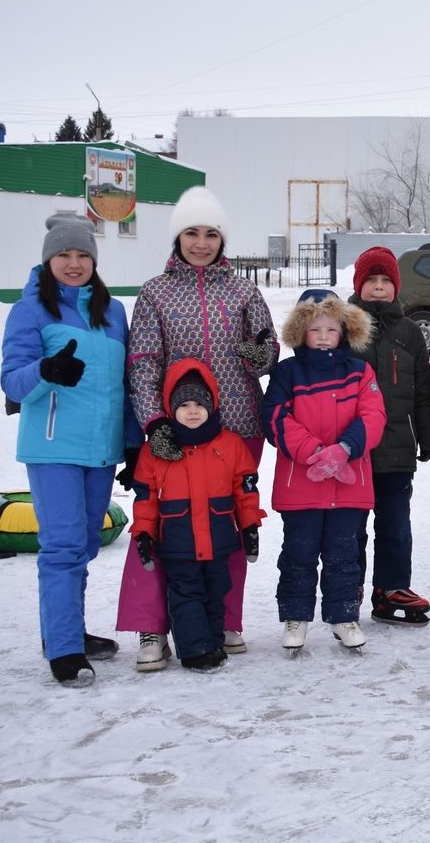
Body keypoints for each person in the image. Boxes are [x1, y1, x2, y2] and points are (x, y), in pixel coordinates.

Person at [117, 186, 277, 671]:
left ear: (223, 239)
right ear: (177, 237)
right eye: (192, 232)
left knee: (229, 524)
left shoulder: (245, 291)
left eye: (211, 233)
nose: (202, 242)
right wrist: (154, 422)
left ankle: (224, 620)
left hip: (237, 427)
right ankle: (151, 626)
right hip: (174, 432)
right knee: (161, 526)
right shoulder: (155, 293)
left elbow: (268, 349)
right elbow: (142, 362)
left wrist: (260, 356)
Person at [0, 214, 135, 686]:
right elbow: (11, 380)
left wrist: (133, 445)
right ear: (48, 259)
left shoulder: (113, 310)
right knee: (61, 549)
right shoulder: (31, 310)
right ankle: (62, 648)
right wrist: (46, 370)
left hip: (101, 449)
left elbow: (125, 382)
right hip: (54, 447)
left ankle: (67, 630)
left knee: (83, 546)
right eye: (64, 255)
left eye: (82, 255)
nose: (74, 263)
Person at [263, 289, 385, 652]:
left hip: (349, 487)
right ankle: (295, 618)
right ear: (301, 332)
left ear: (344, 331)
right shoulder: (287, 373)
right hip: (301, 485)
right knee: (298, 556)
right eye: (314, 330)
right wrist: (316, 453)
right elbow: (275, 418)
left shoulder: (360, 371)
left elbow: (374, 415)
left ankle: (343, 616)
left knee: (344, 556)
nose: (321, 336)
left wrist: (345, 449)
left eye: (330, 329)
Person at [129, 359, 265, 671]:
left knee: (217, 592)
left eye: (199, 404)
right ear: (170, 407)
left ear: (212, 403)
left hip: (218, 539)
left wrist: (250, 526)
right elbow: (146, 497)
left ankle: (213, 642)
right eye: (184, 405)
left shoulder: (229, 444)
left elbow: (244, 488)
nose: (192, 411)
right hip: (179, 542)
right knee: (186, 595)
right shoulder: (156, 450)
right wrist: (144, 534)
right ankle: (194, 651)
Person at [347, 247, 430, 627]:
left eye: (386, 281)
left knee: (395, 526)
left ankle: (390, 589)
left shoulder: (409, 332)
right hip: (353, 450)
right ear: (359, 285)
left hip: (398, 447)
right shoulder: (344, 327)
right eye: (372, 280)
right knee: (351, 528)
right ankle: (347, 586)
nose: (380, 287)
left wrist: (429, 435)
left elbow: (423, 388)